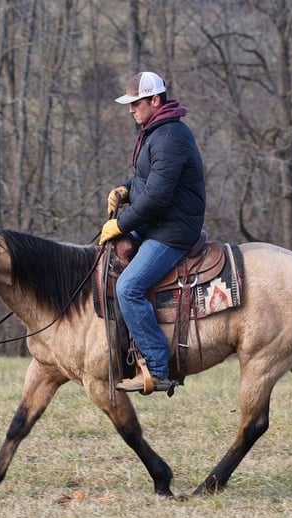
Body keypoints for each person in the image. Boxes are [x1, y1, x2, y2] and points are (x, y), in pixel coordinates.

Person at [99, 71, 206, 394]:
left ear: (155, 100)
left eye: (136, 103)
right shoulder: (154, 132)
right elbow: (148, 182)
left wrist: (121, 223)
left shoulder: (171, 136)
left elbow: (158, 197)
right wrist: (126, 189)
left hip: (172, 231)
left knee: (129, 287)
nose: (131, 109)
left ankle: (158, 369)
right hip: (156, 225)